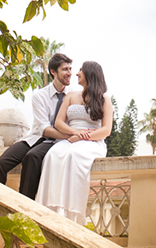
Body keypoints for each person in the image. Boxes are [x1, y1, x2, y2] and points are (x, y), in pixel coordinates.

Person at [35, 60, 113, 225]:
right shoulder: (71, 96)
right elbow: (59, 123)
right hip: (71, 137)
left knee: (74, 155)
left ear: (90, 74)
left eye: (80, 70)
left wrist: (83, 137)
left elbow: (106, 130)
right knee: (53, 155)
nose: (76, 73)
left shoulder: (104, 99)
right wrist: (75, 133)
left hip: (92, 141)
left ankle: (70, 211)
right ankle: (50, 208)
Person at [0, 53, 74, 199]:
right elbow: (45, 129)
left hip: (56, 142)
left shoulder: (74, 96)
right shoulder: (40, 96)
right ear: (53, 72)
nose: (69, 73)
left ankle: (23, 211)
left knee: (31, 159)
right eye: (65, 69)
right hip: (35, 138)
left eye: (70, 69)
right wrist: (68, 135)